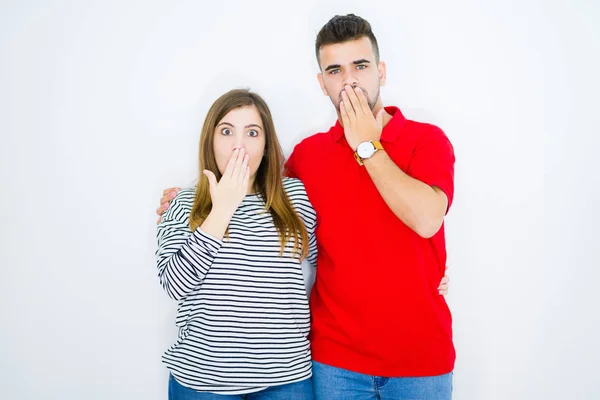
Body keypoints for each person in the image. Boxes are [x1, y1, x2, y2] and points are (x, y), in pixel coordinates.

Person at [157, 14, 455, 399]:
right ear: (322, 82)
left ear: (380, 71)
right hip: (336, 365)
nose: (348, 80)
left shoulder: (426, 141)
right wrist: (188, 196)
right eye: (335, 70)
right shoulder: (308, 158)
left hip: (421, 361)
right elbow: (253, 181)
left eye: (360, 66)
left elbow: (428, 220)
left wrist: (366, 145)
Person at [156, 89, 317, 399]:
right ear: (210, 140)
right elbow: (173, 284)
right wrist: (222, 210)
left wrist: (420, 274)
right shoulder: (183, 202)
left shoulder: (295, 197)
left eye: (252, 133)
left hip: (286, 378)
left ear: (267, 145)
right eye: (227, 131)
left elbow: (335, 265)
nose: (238, 145)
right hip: (203, 381)